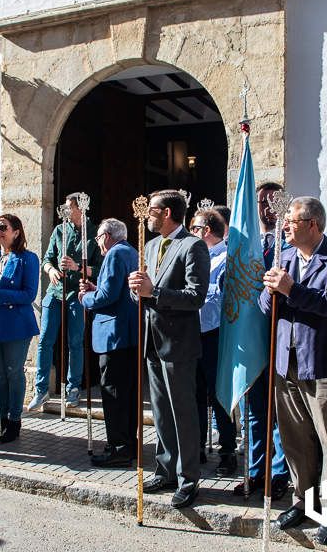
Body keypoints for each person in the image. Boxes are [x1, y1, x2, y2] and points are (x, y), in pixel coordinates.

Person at [259, 196, 327, 545]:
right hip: (285, 363)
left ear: (313, 224)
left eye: (291, 221)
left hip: (324, 363)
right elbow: (264, 305)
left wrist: (292, 290)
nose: (284, 226)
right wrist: (270, 290)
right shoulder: (283, 257)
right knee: (294, 438)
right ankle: (303, 499)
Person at [128, 189, 209, 509]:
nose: (148, 215)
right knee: (160, 411)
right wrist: (137, 290)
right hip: (151, 339)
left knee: (183, 413)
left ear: (167, 213)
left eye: (152, 210)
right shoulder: (147, 245)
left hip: (178, 342)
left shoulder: (193, 246)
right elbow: (143, 293)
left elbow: (195, 296)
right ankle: (165, 468)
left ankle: (188, 478)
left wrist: (155, 291)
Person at [236, 181, 290, 498]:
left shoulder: (291, 243)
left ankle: (279, 474)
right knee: (254, 411)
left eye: (272, 200)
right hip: (250, 338)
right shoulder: (247, 243)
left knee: (279, 413)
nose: (266, 206)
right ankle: (256, 471)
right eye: (261, 201)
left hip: (280, 338)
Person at [28, 193, 100, 411]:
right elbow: (47, 258)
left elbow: (100, 267)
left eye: (70, 207)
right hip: (55, 290)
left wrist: (78, 268)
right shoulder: (60, 230)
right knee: (45, 340)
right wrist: (50, 270)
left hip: (77, 293)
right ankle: (41, 390)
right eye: (65, 208)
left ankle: (73, 388)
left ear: (81, 208)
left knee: (75, 342)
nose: (66, 211)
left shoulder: (95, 233)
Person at [0, 214, 39, 443]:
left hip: (16, 326)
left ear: (16, 232)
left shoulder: (27, 259)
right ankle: (0, 420)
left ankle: (14, 421)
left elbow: (29, 294)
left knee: (13, 372)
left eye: (3, 227)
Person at [79, 218, 139, 467]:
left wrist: (86, 297)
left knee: (113, 393)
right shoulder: (131, 251)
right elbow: (115, 290)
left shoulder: (115, 254)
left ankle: (119, 447)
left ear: (107, 236)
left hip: (115, 335)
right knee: (127, 393)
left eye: (98, 237)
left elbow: (108, 296)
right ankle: (127, 442)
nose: (97, 242)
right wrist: (97, 288)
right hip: (129, 334)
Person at [189, 208, 237, 476]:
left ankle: (227, 451)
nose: (191, 233)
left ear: (206, 231)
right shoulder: (194, 255)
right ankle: (196, 446)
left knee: (219, 396)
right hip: (192, 333)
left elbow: (220, 298)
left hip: (215, 334)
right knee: (195, 393)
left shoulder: (226, 258)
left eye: (194, 229)